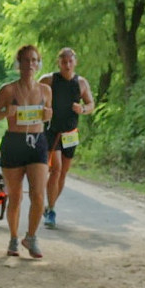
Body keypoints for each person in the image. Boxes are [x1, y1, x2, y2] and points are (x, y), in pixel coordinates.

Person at [0, 44, 52, 258]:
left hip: (38, 142)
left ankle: (31, 237)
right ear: (19, 64)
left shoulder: (45, 90)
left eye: (34, 60)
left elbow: (48, 115)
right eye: (26, 60)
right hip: (14, 143)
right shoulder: (8, 89)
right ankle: (14, 239)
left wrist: (48, 116)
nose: (30, 64)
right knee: (15, 197)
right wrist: (7, 111)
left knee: (39, 195)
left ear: (39, 63)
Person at [39, 47, 94, 229]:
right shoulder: (49, 79)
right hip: (52, 130)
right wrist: (40, 111)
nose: (67, 65)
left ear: (75, 62)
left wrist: (83, 109)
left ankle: (49, 206)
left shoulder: (81, 83)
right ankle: (51, 211)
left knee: (63, 172)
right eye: (64, 62)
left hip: (71, 133)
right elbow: (34, 93)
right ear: (59, 63)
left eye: (70, 61)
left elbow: (91, 104)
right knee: (56, 169)